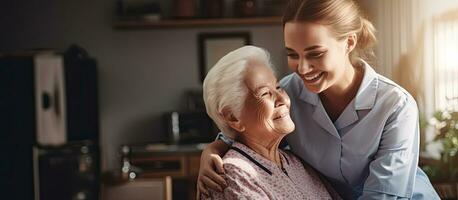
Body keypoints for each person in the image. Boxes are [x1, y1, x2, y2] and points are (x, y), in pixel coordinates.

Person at [197, 0, 440, 199]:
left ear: (349, 42)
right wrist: (213, 149)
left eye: (315, 54)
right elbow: (251, 127)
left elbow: (385, 196)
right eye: (293, 54)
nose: (302, 68)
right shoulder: (288, 92)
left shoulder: (395, 105)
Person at [200, 45, 339, 199]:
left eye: (278, 87)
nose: (282, 99)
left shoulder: (293, 162)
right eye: (265, 93)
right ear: (233, 117)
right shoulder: (234, 176)